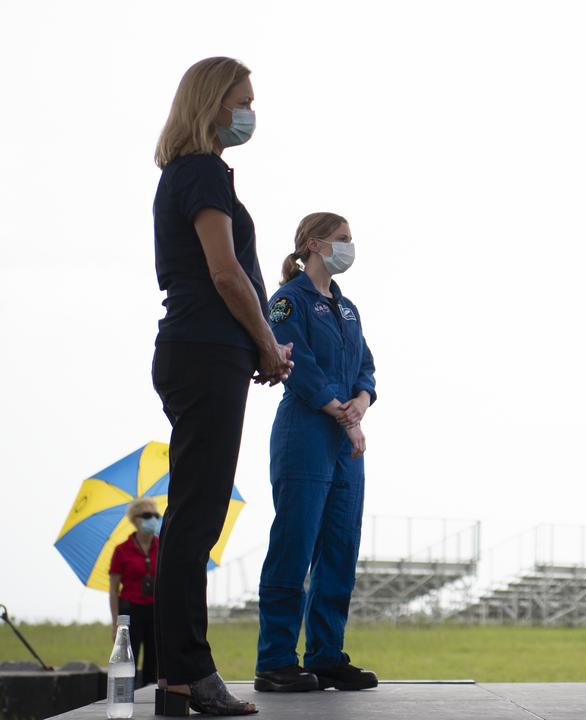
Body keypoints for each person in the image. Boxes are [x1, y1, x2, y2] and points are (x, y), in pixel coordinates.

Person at [151, 56, 293, 716]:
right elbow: (226, 273)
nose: (250, 113)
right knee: (196, 516)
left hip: (206, 352)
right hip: (207, 351)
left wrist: (258, 345)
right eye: (242, 100)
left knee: (194, 512)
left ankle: (179, 673)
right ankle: (185, 672)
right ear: (213, 103)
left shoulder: (193, 173)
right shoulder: (203, 172)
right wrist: (266, 343)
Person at [254, 213, 378, 693]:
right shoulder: (288, 301)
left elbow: (365, 365)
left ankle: (326, 655)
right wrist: (342, 413)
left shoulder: (348, 309)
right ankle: (276, 660)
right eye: (342, 239)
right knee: (295, 545)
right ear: (313, 244)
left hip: (346, 443)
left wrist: (361, 401)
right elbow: (294, 361)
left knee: (340, 549)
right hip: (307, 432)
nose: (350, 246)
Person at [108, 499, 162, 688]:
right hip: (130, 610)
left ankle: (149, 700)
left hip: (156, 609)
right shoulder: (121, 550)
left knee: (154, 662)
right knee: (127, 659)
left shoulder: (162, 546)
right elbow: (113, 589)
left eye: (156, 515)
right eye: (147, 515)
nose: (153, 520)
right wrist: (115, 622)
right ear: (135, 519)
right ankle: (126, 697)